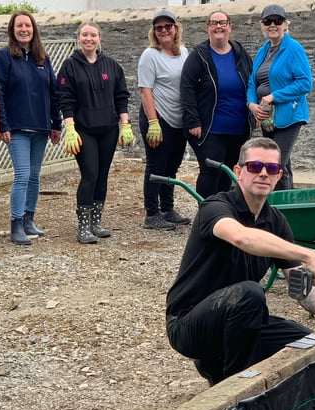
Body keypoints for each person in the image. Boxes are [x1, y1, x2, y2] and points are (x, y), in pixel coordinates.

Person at [166, 137, 315, 386]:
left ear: (278, 174)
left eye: (271, 169)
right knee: (250, 293)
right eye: (255, 166)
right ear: (238, 172)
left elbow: (296, 283)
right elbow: (241, 238)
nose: (263, 173)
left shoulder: (276, 221)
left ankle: (222, 364)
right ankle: (233, 390)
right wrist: (309, 254)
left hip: (239, 320)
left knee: (306, 342)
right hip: (189, 324)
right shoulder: (215, 207)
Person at [56, 21, 134, 244]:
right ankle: (82, 226)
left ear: (99, 38)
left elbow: (121, 96)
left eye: (93, 35)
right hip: (83, 130)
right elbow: (65, 97)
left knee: (102, 175)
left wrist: (125, 123)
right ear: (78, 37)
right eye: (84, 35)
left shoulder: (112, 65)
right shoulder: (70, 66)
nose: (88, 39)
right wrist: (69, 126)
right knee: (89, 174)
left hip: (108, 129)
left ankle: (95, 222)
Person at [0, 10, 62, 246]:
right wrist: (2, 124)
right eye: (19, 25)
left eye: (28, 26)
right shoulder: (4, 57)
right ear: (12, 30)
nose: (24, 29)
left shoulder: (43, 58)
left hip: (41, 128)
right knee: (22, 175)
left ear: (34, 30)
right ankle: (16, 223)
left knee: (34, 176)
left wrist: (56, 124)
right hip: (17, 128)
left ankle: (29, 219)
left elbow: (53, 93)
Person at [180, 11, 253, 199]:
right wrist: (193, 120)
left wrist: (253, 112)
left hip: (238, 126)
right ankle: (205, 212)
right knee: (210, 170)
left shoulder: (240, 52)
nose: (218, 27)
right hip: (210, 126)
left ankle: (221, 212)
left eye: (222, 22)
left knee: (228, 171)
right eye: (213, 23)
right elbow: (187, 88)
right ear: (208, 28)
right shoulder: (199, 55)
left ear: (230, 26)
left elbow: (252, 82)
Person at [246, 4, 313, 191]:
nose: (272, 25)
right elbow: (253, 82)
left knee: (275, 164)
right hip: (268, 118)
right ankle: (287, 210)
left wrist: (273, 96)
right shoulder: (263, 50)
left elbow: (305, 83)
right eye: (268, 21)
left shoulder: (293, 49)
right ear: (263, 25)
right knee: (283, 165)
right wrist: (251, 104)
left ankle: (272, 211)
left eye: (278, 21)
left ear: (285, 24)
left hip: (289, 116)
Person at [138, 9, 191, 230]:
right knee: (156, 166)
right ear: (154, 32)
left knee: (172, 166)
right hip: (158, 118)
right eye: (158, 28)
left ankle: (168, 209)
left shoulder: (184, 53)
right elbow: (145, 90)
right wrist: (153, 122)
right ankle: (152, 214)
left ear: (176, 28)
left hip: (179, 119)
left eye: (167, 26)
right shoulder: (150, 55)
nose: (163, 31)